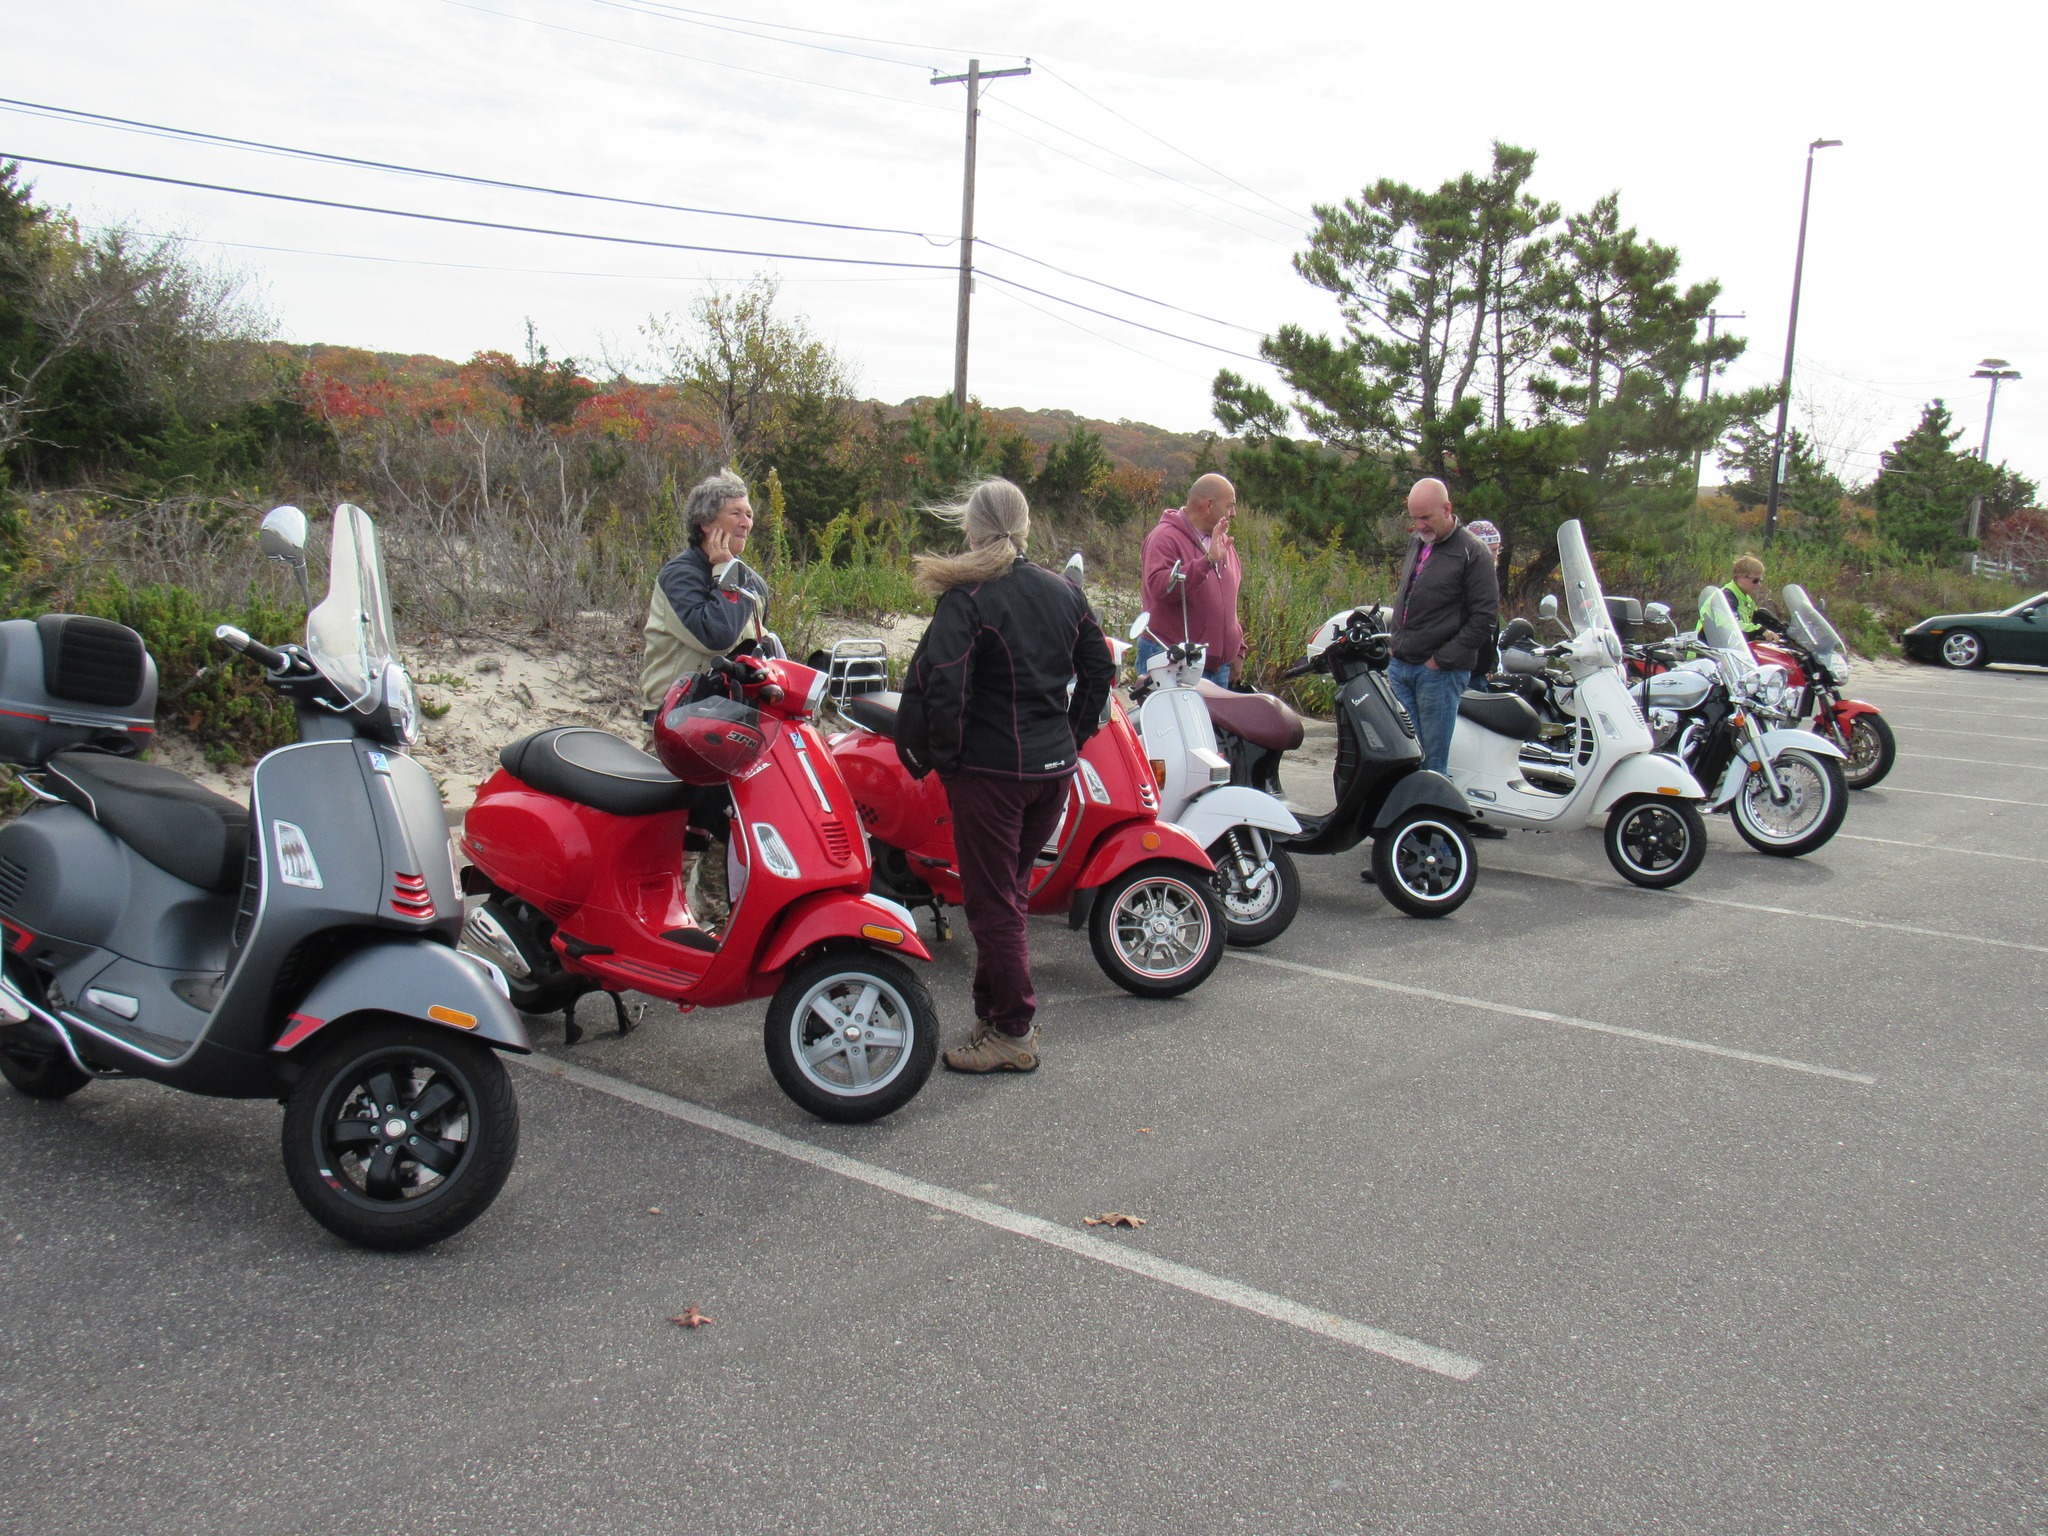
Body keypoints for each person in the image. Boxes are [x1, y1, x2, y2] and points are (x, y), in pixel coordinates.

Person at [896, 479, 1115, 1075]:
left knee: (993, 902)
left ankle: (1014, 1032)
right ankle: (993, 1016)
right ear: (1025, 526)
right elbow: (1101, 671)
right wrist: (1071, 737)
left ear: (971, 528)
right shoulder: (1064, 592)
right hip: (1052, 772)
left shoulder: (967, 596)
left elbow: (944, 684)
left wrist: (948, 759)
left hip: (992, 775)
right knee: (1007, 896)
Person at [639, 469, 770, 929]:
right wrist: (724, 574)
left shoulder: (745, 578)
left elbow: (754, 647)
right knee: (678, 828)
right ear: (706, 523)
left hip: (725, 720)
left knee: (724, 824)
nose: (747, 521)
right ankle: (662, 918)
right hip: (679, 720)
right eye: (736, 512)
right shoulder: (681, 574)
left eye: (750, 513)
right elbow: (714, 634)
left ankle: (714, 918)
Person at [1387, 478, 1499, 775]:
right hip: (1401, 666)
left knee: (1431, 763)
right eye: (1414, 518)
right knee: (1404, 755)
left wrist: (1441, 660)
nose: (1419, 526)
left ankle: (1433, 805)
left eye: (1425, 517)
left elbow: (1485, 618)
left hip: (1439, 673)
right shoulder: (1418, 542)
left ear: (1447, 509)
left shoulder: (1474, 552)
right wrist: (1395, 645)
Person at [1138, 473, 1242, 686]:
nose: (1234, 514)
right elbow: (1160, 588)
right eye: (1229, 506)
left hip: (1218, 667)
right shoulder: (1164, 537)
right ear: (1209, 505)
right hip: (1173, 662)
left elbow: (1228, 602)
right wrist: (1207, 562)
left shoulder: (1221, 541)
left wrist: (1238, 648)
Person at [1704, 554, 1782, 640]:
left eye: (1760, 580)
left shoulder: (1747, 600)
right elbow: (1730, 625)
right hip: (1708, 646)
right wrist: (1760, 631)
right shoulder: (1725, 597)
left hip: (1730, 645)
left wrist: (1781, 630)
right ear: (1740, 577)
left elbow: (1755, 622)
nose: (1758, 584)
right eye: (1755, 580)